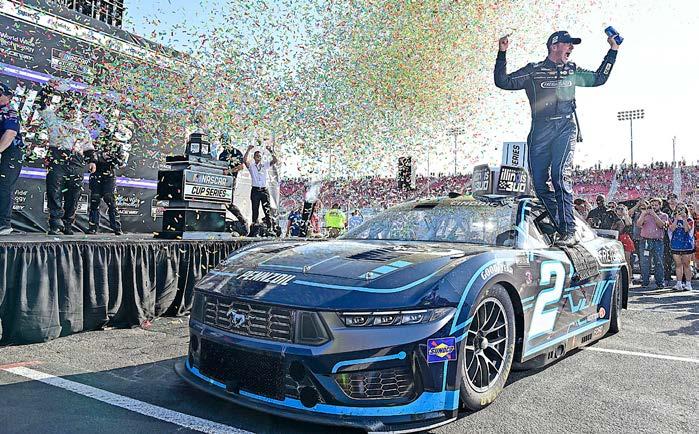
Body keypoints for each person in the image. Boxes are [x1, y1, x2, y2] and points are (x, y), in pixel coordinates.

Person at [495, 30, 619, 245]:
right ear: (554, 46)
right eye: (567, 44)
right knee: (539, 185)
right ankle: (562, 226)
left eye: (572, 45)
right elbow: (502, 81)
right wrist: (502, 53)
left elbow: (600, 78)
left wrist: (613, 50)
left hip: (565, 127)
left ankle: (569, 230)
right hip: (540, 129)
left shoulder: (572, 70)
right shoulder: (534, 70)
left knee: (560, 175)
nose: (571, 48)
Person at [36, 81, 95, 235]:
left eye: (74, 110)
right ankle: (55, 224)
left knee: (74, 194)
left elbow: (88, 147)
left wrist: (92, 161)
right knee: (54, 191)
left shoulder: (82, 128)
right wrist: (48, 88)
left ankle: (68, 224)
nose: (72, 113)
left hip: (76, 162)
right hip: (57, 160)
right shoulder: (53, 120)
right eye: (69, 110)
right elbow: (40, 103)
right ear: (62, 110)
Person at [87, 129, 123, 235]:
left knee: (110, 199)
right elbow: (89, 159)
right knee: (95, 199)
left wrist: (113, 158)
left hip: (109, 175)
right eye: (102, 134)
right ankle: (93, 227)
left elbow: (121, 163)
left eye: (106, 135)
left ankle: (116, 227)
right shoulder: (94, 145)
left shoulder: (117, 146)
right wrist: (95, 159)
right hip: (96, 174)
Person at [0, 83, 24, 236]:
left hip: (11, 152)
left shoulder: (10, 111)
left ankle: (4, 223)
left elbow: (10, 134)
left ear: (8, 97)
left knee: (3, 185)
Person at [218, 134, 248, 235]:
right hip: (221, 181)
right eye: (222, 141)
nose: (224, 143)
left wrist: (229, 171)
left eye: (226, 141)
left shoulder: (236, 152)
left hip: (231, 180)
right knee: (220, 201)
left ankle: (243, 221)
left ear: (230, 141)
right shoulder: (222, 154)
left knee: (229, 203)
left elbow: (241, 167)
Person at [244, 142, 278, 230]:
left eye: (259, 156)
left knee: (267, 209)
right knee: (255, 209)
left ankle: (270, 228)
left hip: (264, 190)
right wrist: (248, 150)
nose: (258, 157)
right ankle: (254, 228)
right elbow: (244, 161)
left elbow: (275, 160)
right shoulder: (252, 166)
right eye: (257, 156)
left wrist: (270, 151)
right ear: (254, 157)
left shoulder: (264, 165)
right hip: (255, 190)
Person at [636, 198, 669, 288]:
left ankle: (659, 282)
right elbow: (638, 224)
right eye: (652, 205)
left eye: (656, 205)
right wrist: (643, 214)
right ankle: (645, 281)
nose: (654, 207)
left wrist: (654, 214)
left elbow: (661, 225)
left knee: (658, 262)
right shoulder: (645, 214)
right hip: (645, 241)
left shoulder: (664, 215)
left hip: (657, 241)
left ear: (660, 206)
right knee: (645, 262)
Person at [668, 204, 695, 291]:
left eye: (682, 208)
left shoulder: (690, 220)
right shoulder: (672, 219)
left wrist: (684, 219)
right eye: (678, 208)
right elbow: (672, 229)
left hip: (686, 245)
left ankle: (688, 284)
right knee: (678, 264)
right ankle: (678, 283)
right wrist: (676, 219)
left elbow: (687, 229)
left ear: (685, 210)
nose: (680, 210)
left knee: (687, 264)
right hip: (676, 244)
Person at [612, 204, 634, 283]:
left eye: (622, 209)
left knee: (627, 260)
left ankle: (629, 278)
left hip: (625, 239)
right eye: (618, 208)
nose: (620, 210)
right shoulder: (614, 218)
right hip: (617, 239)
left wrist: (625, 214)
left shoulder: (627, 218)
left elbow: (628, 223)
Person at [662, 193, 679, 283]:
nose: (672, 200)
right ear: (667, 200)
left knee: (678, 256)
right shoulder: (665, 210)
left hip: (678, 235)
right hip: (667, 236)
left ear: (677, 200)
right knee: (667, 257)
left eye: (674, 198)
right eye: (670, 198)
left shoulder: (680, 209)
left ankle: (679, 276)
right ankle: (667, 276)